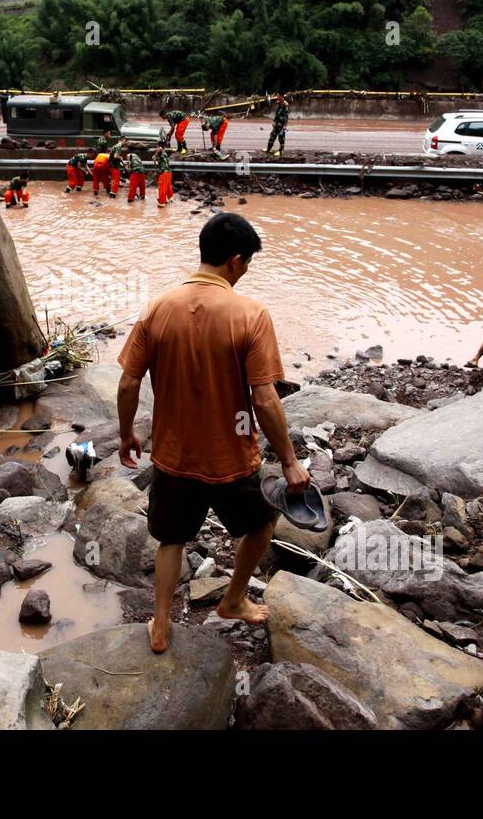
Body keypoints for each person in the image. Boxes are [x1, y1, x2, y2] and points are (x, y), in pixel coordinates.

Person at [117, 212, 310, 653]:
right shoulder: (251, 314)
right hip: (230, 457)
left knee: (171, 538)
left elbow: (129, 382)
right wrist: (290, 461)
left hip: (172, 455)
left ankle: (161, 626)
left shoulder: (157, 308)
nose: (244, 274)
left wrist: (127, 432)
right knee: (261, 523)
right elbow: (264, 399)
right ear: (235, 261)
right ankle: (233, 599)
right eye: (246, 266)